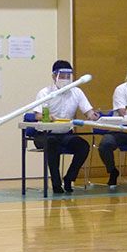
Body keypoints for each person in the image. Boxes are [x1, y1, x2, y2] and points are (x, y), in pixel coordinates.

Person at [32, 60, 99, 194]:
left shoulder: (77, 92)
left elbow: (88, 112)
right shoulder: (44, 93)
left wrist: (93, 115)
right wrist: (49, 117)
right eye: (62, 76)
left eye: (68, 76)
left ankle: (69, 178)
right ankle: (56, 184)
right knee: (52, 144)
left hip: (65, 134)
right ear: (54, 76)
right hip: (45, 134)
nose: (65, 79)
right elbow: (37, 115)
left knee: (83, 146)